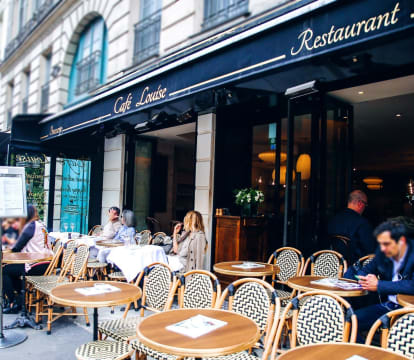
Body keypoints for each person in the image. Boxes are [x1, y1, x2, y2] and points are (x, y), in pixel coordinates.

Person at [345, 220, 414, 342]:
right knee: (349, 321)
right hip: (389, 307)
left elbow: (411, 285)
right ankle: (365, 353)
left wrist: (379, 285)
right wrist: (365, 279)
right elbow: (365, 269)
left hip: (409, 311)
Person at [2, 205, 53, 314]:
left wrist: (10, 247)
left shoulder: (31, 226)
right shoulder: (41, 225)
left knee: (4, 271)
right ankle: (21, 297)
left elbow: (17, 247)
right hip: (46, 263)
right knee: (11, 270)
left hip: (35, 265)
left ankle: (13, 302)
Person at [328, 190, 376, 265]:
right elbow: (370, 249)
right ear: (360, 203)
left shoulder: (334, 219)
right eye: (365, 204)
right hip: (355, 266)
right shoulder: (362, 223)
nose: (365, 207)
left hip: (332, 263)